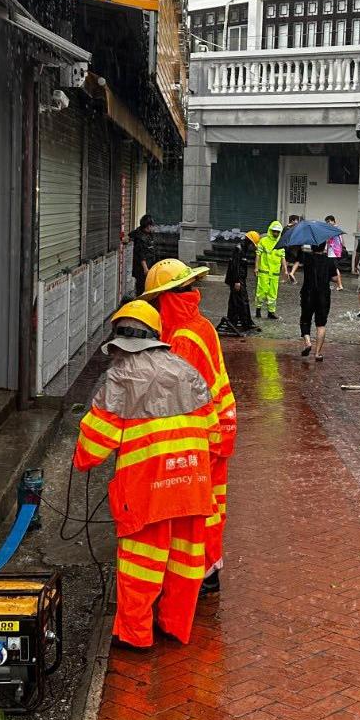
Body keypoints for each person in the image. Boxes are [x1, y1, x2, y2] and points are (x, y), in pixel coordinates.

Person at [73, 301, 216, 648]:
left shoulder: (121, 377)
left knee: (141, 565)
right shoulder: (187, 370)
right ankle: (175, 626)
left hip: (147, 490)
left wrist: (82, 460)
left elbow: (93, 446)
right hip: (193, 485)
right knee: (185, 562)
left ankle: (136, 635)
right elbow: (211, 431)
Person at [142, 259, 237, 595]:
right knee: (213, 504)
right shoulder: (201, 325)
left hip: (204, 435)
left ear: (166, 299)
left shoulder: (182, 340)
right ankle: (210, 568)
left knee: (199, 509)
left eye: (156, 302)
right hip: (219, 429)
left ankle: (202, 575)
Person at [298, 242, 334, 361]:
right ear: (324, 247)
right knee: (321, 324)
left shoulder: (307, 258)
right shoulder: (329, 261)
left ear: (312, 247)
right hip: (323, 295)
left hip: (308, 294)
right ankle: (318, 353)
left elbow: (297, 258)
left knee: (305, 319)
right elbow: (334, 277)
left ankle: (308, 342)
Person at [219, 230, 260, 335]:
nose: (252, 246)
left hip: (239, 279)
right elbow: (235, 266)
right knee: (243, 300)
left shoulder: (243, 249)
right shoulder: (239, 249)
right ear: (249, 241)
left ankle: (233, 320)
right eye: (252, 244)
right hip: (237, 279)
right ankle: (245, 323)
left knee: (234, 300)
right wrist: (237, 281)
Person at [254, 221, 285, 320]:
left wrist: (285, 269)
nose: (275, 233)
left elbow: (282, 257)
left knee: (273, 293)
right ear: (270, 231)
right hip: (264, 271)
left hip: (275, 273)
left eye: (277, 232)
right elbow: (258, 254)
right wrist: (256, 267)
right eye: (274, 231)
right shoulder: (263, 241)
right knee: (261, 291)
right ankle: (258, 309)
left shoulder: (281, 243)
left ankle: (271, 312)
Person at [130, 215, 157, 296]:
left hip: (150, 263)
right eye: (152, 226)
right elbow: (141, 254)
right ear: (148, 226)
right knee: (142, 286)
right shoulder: (140, 237)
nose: (153, 228)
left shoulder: (147, 233)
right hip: (142, 268)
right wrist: (145, 269)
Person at [325, 215, 345, 291]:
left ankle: (340, 285)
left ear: (333, 221)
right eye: (327, 222)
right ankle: (331, 284)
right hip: (336, 252)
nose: (328, 223)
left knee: (335, 268)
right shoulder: (338, 228)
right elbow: (342, 240)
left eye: (329, 221)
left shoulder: (333, 229)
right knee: (331, 268)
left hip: (333, 252)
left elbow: (328, 241)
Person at [283, 214, 302, 284]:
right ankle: (292, 273)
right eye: (297, 220)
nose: (298, 222)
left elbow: (283, 238)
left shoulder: (285, 228)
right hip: (296, 247)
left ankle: (284, 278)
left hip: (287, 247)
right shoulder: (296, 228)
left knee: (285, 262)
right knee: (298, 260)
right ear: (293, 220)